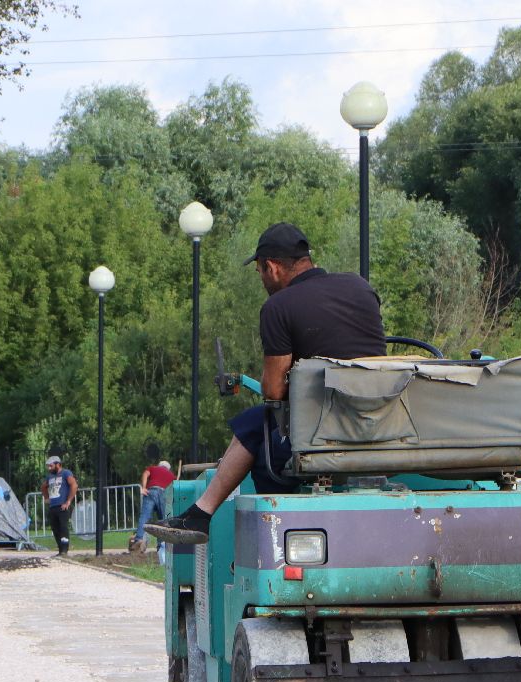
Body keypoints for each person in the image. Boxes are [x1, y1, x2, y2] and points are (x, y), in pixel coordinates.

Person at [147, 222, 384, 545]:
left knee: (260, 441)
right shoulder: (360, 287)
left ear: (272, 267)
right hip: (381, 420)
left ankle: (265, 539)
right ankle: (200, 514)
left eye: (259, 271)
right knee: (255, 424)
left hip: (325, 432)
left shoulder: (279, 306)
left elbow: (272, 391)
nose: (261, 278)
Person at [130, 459, 176, 552]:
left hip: (151, 491)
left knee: (144, 516)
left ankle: (139, 539)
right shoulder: (172, 475)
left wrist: (143, 487)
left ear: (159, 465)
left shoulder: (153, 468)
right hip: (164, 494)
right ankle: (161, 545)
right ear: (168, 468)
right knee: (164, 520)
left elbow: (145, 474)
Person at [43, 455, 78, 555]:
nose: (49, 468)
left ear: (58, 464)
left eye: (51, 466)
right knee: (55, 529)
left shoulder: (66, 473)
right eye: (48, 466)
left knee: (63, 528)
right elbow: (43, 487)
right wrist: (46, 498)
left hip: (63, 506)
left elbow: (74, 485)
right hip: (52, 506)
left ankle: (64, 550)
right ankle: (60, 550)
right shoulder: (49, 476)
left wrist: (68, 501)